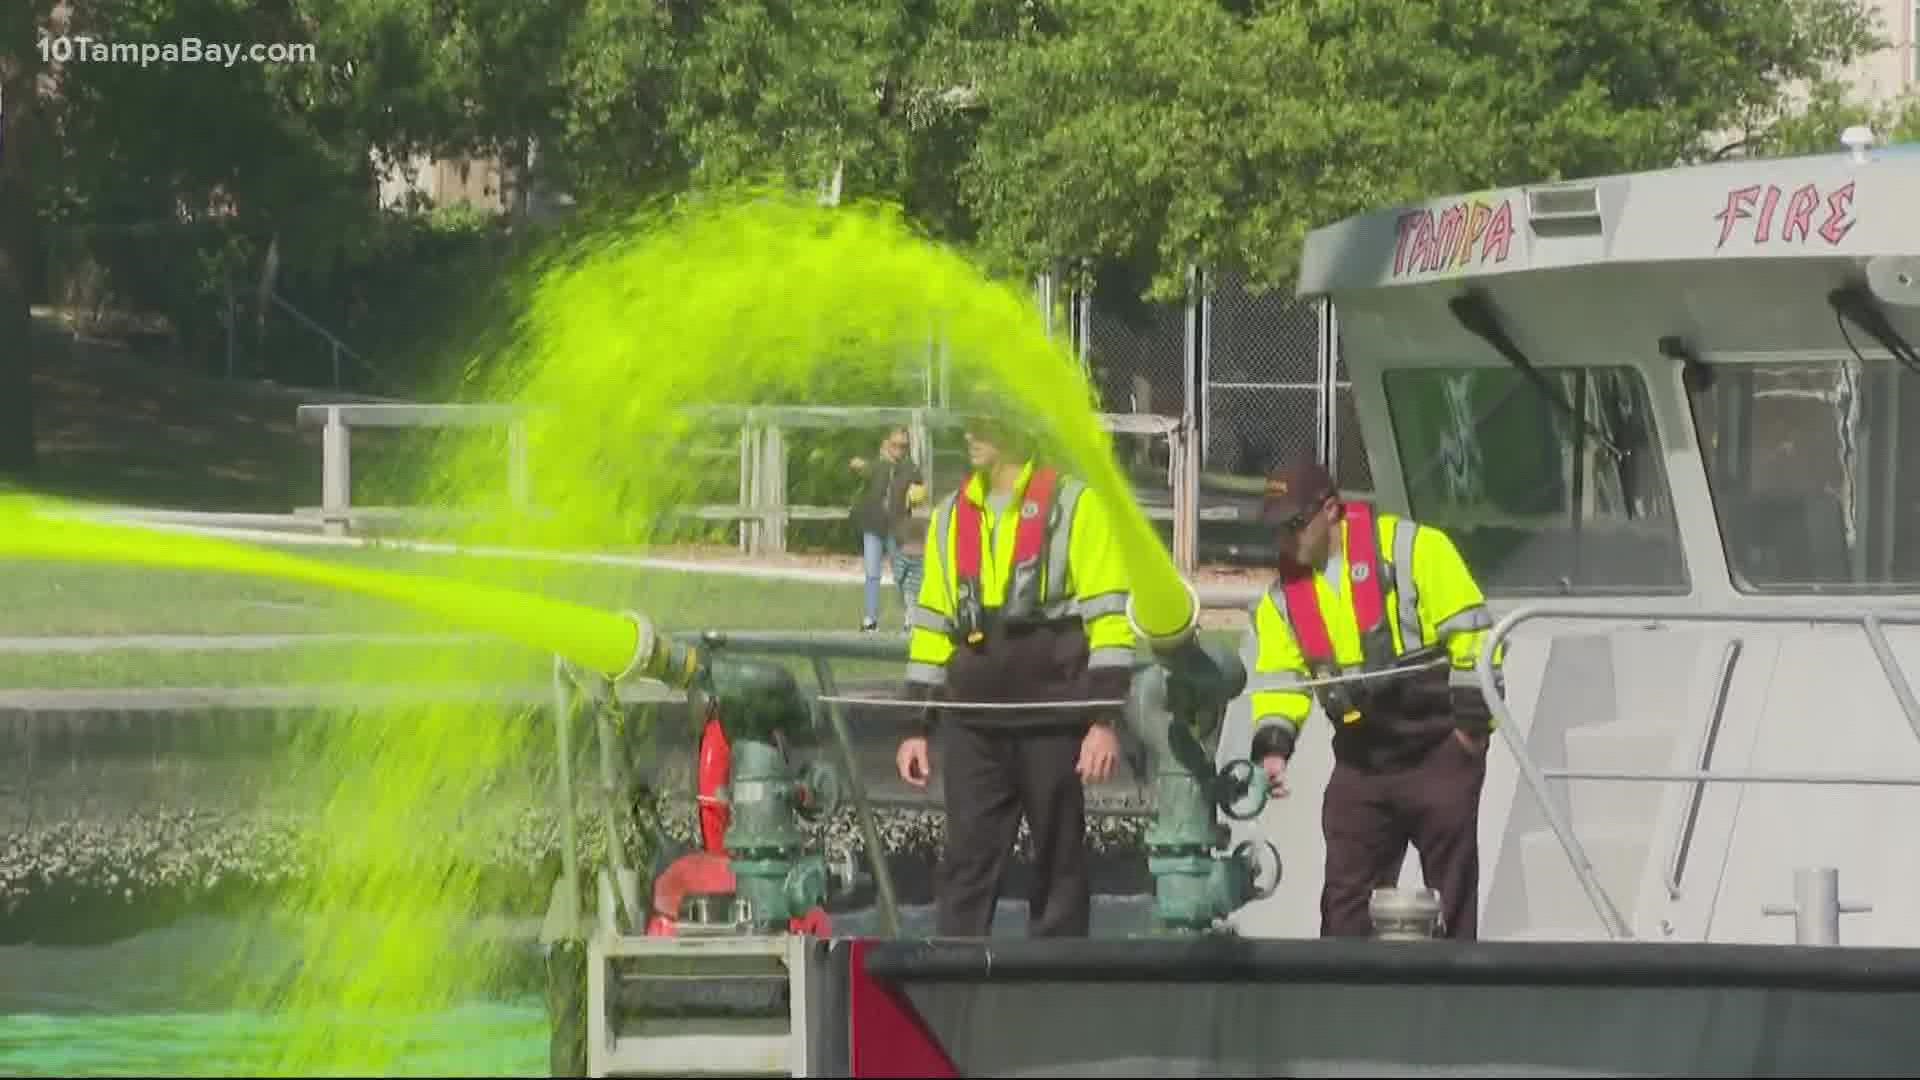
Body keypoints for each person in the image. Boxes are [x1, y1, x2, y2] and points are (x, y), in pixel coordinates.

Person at [894, 411, 1137, 938]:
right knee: (964, 865)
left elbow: (1110, 620)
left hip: (1052, 719)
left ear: (1017, 429)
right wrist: (917, 725)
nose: (970, 433)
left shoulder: (1076, 506)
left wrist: (1103, 720)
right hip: (972, 724)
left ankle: (1058, 985)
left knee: (1059, 865)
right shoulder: (950, 516)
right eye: (970, 421)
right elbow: (933, 626)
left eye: (984, 422)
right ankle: (953, 989)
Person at [1246, 457, 1505, 940]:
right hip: (1362, 764)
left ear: (1331, 511)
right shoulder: (1281, 600)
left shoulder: (1416, 550)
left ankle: (1452, 1000)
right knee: (1344, 908)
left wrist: (1470, 735)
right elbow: (1281, 678)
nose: (1285, 540)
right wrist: (1274, 746)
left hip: (1438, 754)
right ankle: (1346, 1002)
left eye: (1294, 525)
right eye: (1277, 529)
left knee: (1452, 899)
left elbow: (1475, 641)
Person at [849, 427, 924, 632]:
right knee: (872, 574)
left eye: (903, 446)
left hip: (898, 529)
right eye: (895, 445)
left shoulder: (911, 469)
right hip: (873, 527)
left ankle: (910, 620)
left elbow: (919, 493)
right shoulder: (877, 466)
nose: (899, 449)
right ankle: (871, 620)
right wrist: (858, 464)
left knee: (902, 575)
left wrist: (917, 496)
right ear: (886, 444)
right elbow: (860, 469)